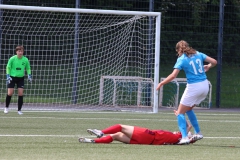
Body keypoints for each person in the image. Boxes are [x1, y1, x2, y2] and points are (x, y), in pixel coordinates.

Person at [156, 40, 217, 144]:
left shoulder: (182, 59)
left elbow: (173, 75)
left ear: (178, 50)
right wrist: (209, 66)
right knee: (188, 110)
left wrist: (161, 83)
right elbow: (214, 62)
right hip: (205, 85)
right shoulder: (198, 54)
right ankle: (198, 133)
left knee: (180, 113)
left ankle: (184, 138)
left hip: (194, 87)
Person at [78, 121, 197, 145]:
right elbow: (188, 128)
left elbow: (188, 126)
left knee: (120, 126)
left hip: (148, 135)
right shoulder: (177, 139)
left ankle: (100, 132)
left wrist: (180, 113)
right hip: (146, 141)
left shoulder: (181, 137)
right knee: (116, 136)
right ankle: (93, 141)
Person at [4, 45, 32, 115]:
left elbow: (28, 68)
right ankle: (6, 108)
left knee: (20, 94)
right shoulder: (12, 58)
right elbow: (8, 67)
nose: (20, 52)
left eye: (22, 51)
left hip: (21, 78)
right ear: (16, 52)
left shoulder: (25, 59)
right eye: (19, 51)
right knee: (10, 93)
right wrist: (8, 75)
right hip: (12, 78)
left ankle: (19, 110)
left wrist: (29, 75)